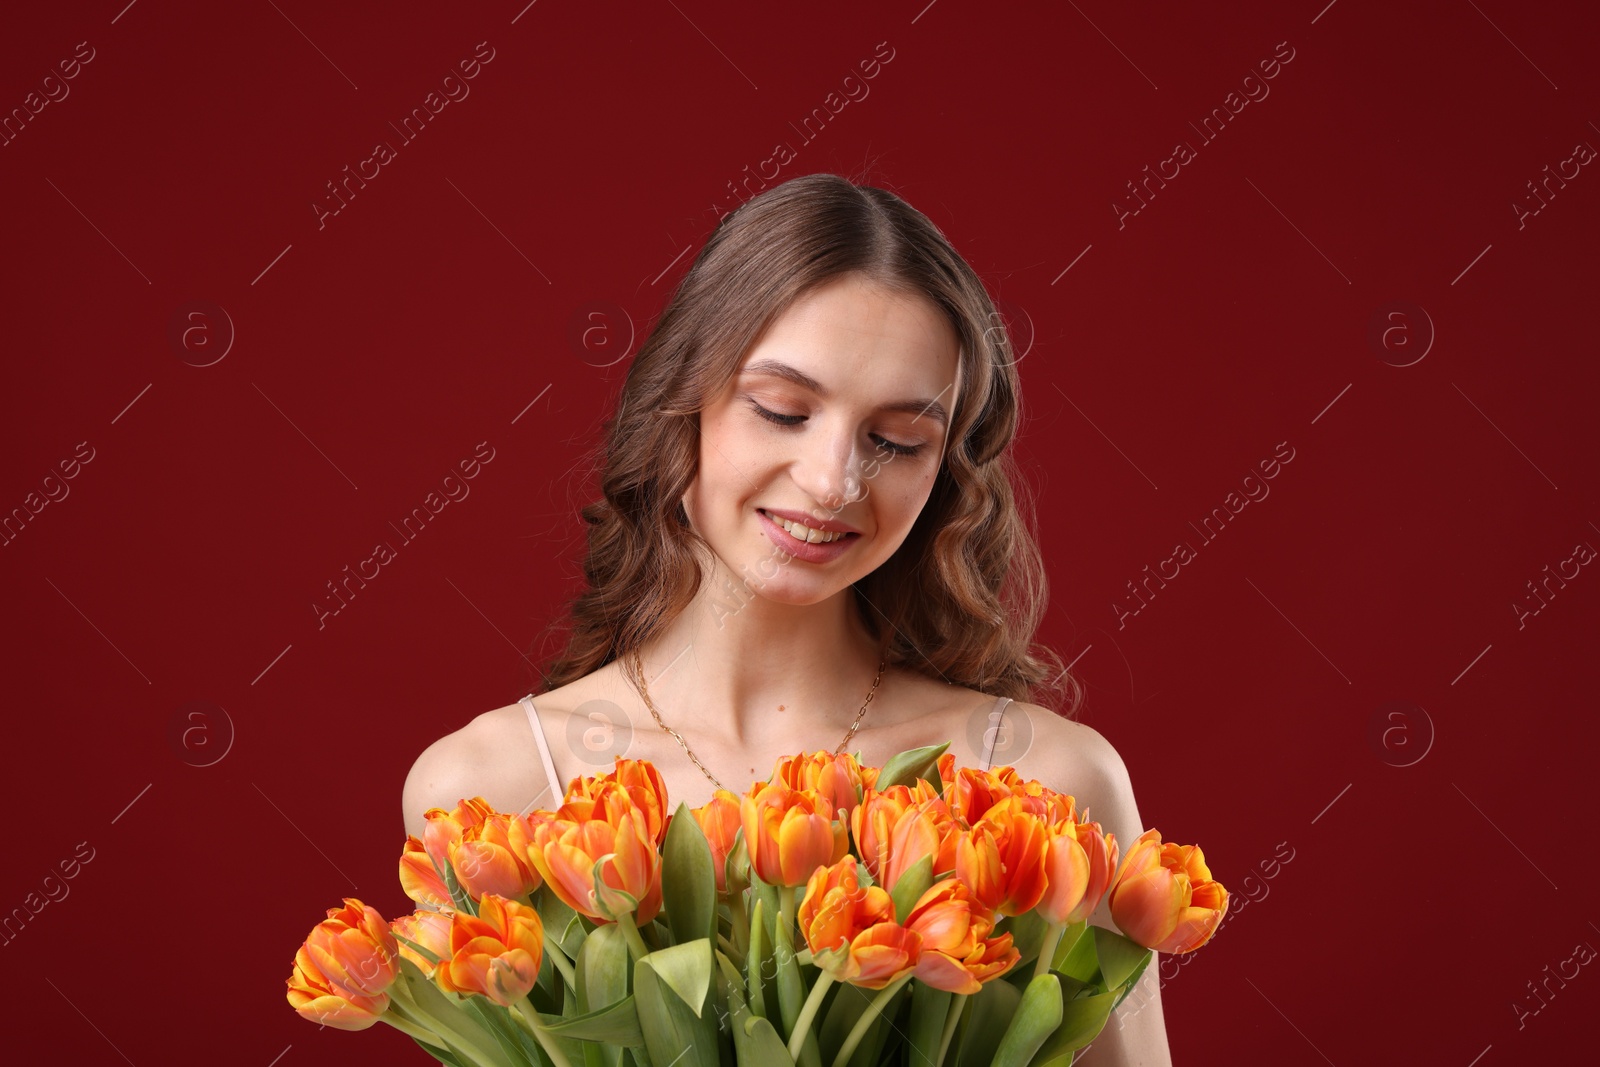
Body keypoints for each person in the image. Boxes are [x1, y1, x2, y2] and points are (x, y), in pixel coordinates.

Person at [401, 172, 1171, 1065]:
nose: (833, 480)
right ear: (680, 399)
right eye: (782, 410)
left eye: (895, 440)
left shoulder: (1049, 788)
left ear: (945, 472)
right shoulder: (488, 792)